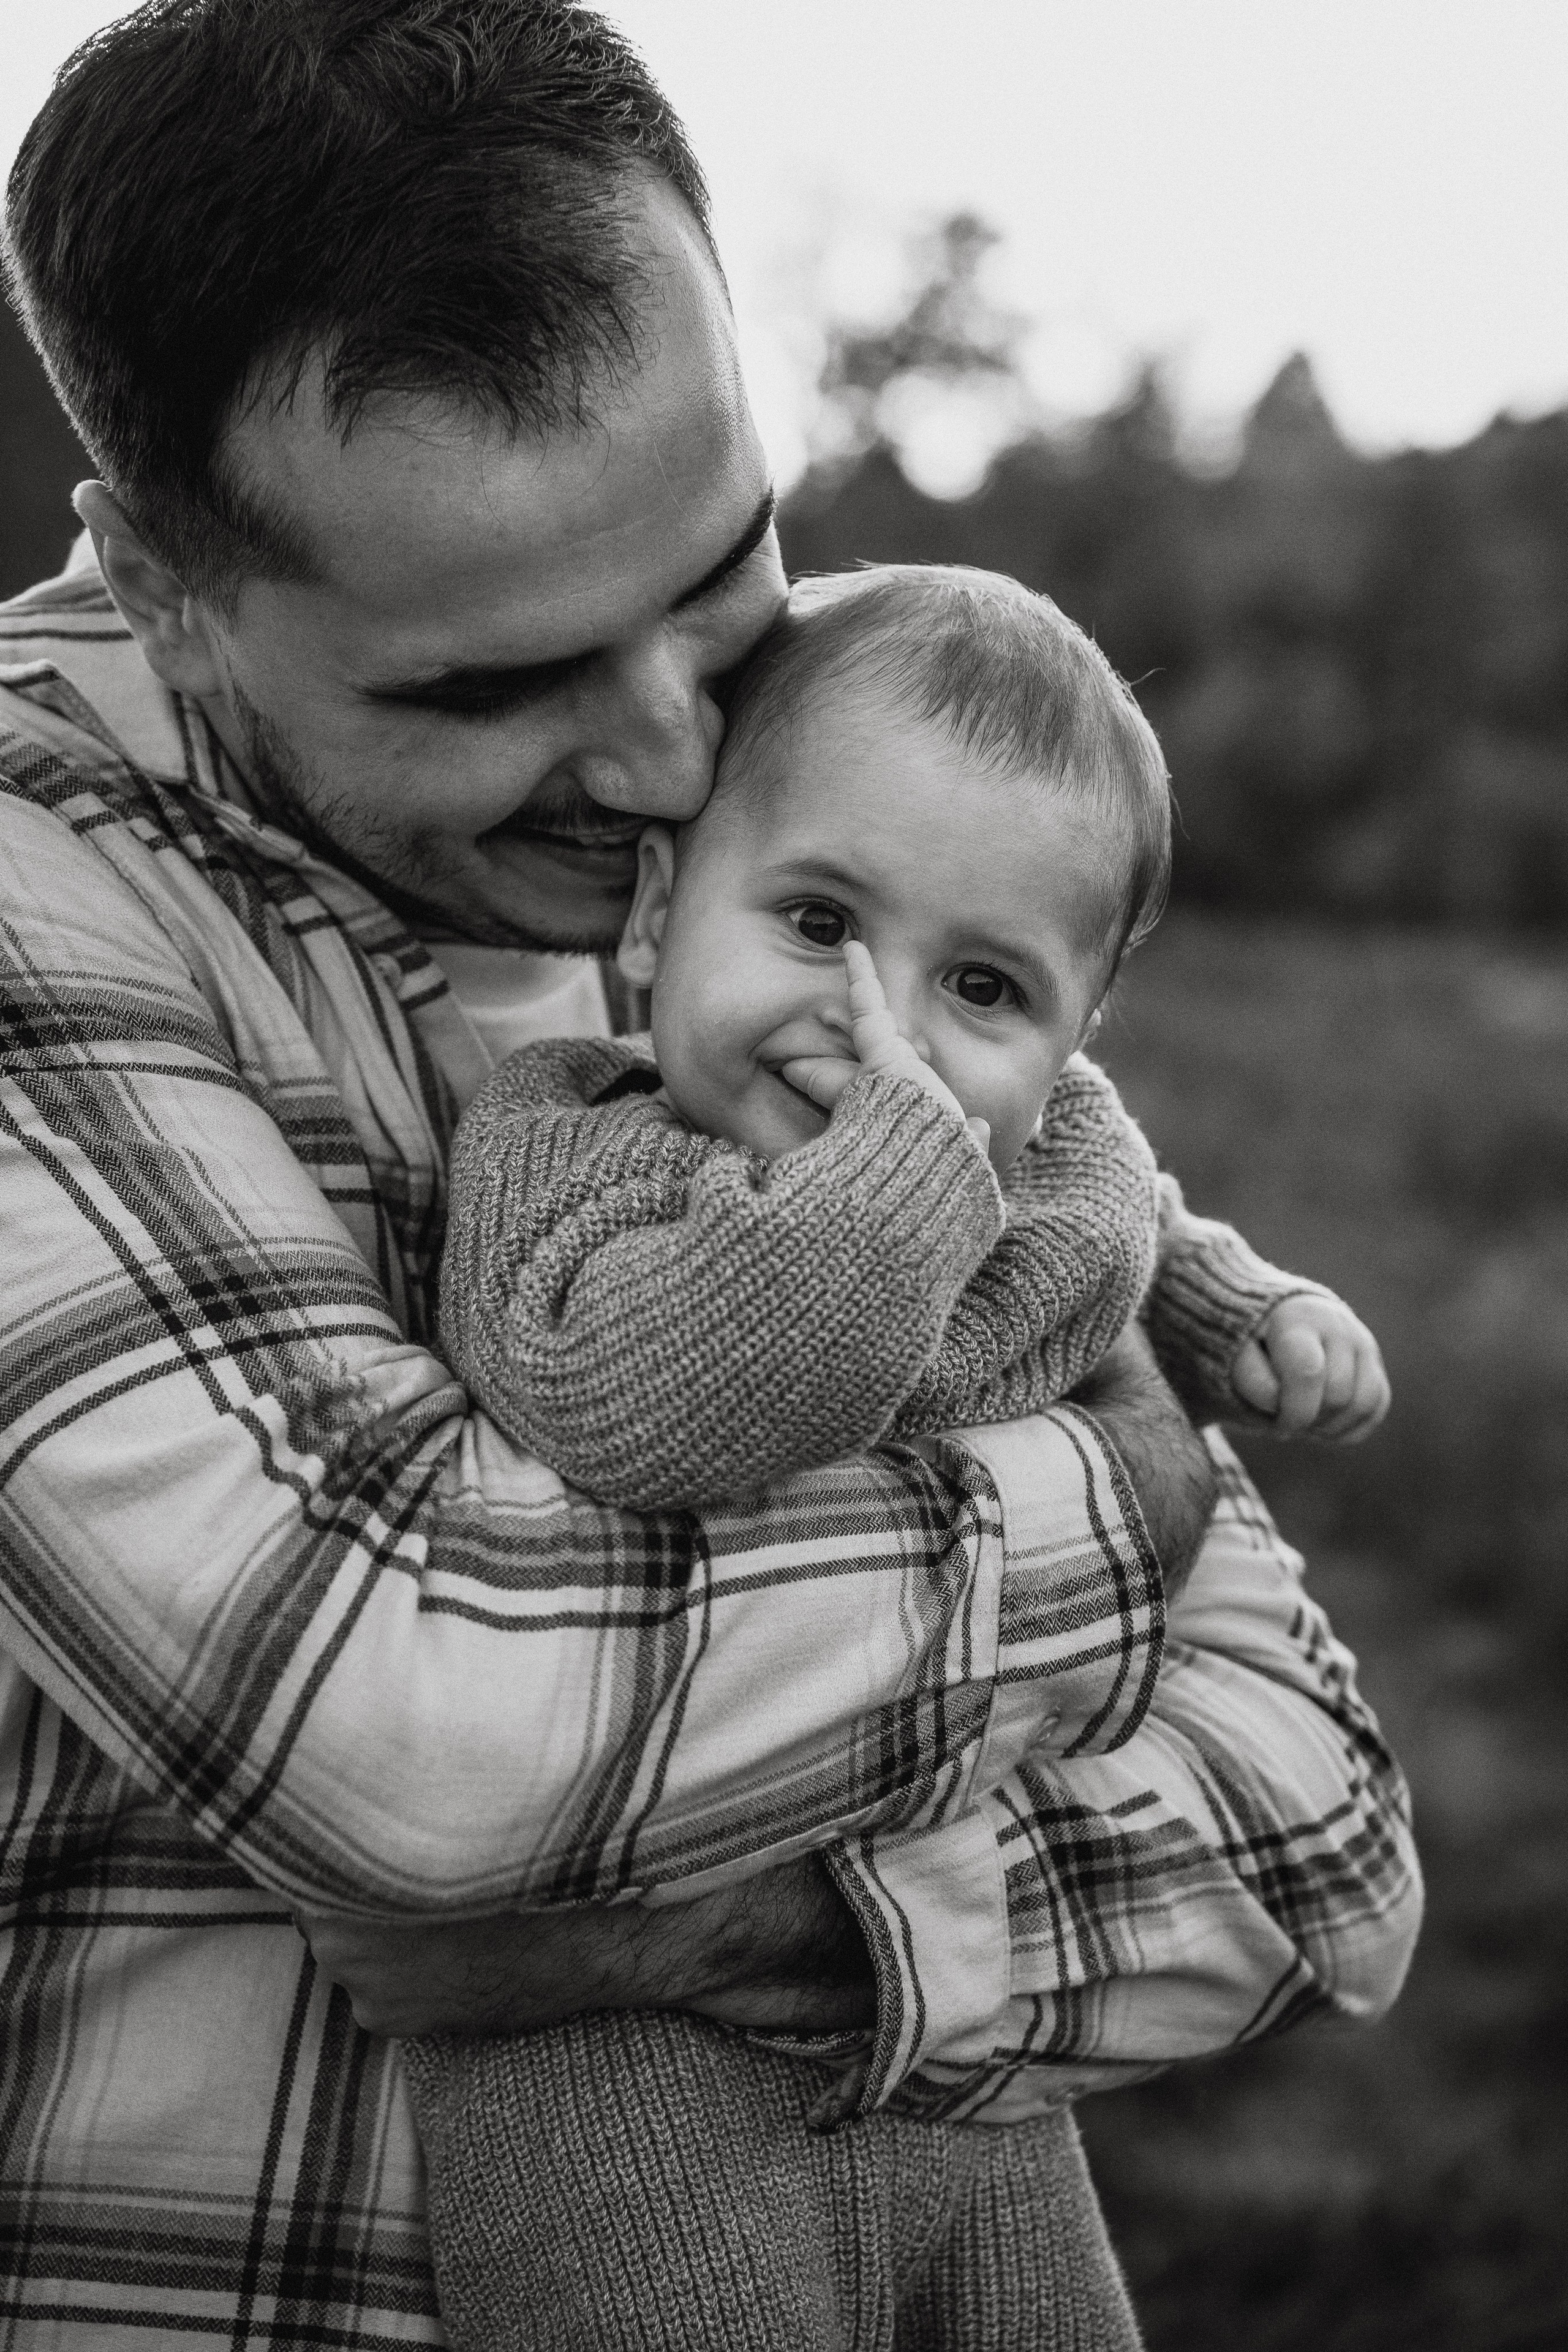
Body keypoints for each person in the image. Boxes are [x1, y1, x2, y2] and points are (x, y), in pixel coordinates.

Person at [0, 6, 1421, 2346]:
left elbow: (1326, 1834)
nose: (672, 764)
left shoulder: (805, 843)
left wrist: (808, 1936)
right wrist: (1121, 1513)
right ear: (168, 590)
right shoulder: (55, 904)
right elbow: (423, 1736)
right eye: (489, 689)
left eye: (724, 572)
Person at [406, 564, 1392, 2351]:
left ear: (1079, 1051)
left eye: (988, 984)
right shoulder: (578, 1167)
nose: (886, 1034)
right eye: (813, 921)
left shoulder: (1037, 1153)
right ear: (656, 915)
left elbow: (1125, 1217)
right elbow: (641, 1407)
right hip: (616, 2074)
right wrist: (902, 1191)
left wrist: (1242, 1315)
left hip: (956, 2053)